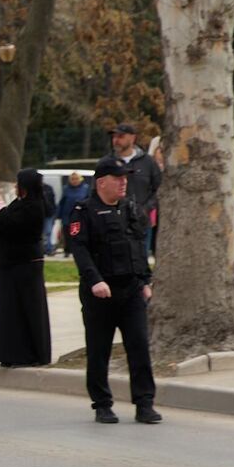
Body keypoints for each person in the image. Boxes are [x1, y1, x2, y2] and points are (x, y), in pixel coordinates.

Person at [68, 156, 159, 424]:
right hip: (100, 293)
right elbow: (80, 250)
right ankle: (102, 404)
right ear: (101, 182)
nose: (123, 183)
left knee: (139, 346)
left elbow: (139, 247)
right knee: (99, 350)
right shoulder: (83, 212)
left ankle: (144, 403)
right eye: (118, 179)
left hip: (130, 291)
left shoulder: (130, 208)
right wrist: (95, 280)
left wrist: (145, 281)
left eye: (125, 178)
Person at [0, 170, 53, 368]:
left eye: (18, 184)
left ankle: (31, 354)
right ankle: (10, 353)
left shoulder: (35, 206)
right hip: (10, 264)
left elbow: (12, 223)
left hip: (26, 265)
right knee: (10, 311)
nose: (15, 186)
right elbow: (1, 223)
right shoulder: (20, 204)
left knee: (27, 310)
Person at [109, 123, 162, 252]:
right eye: (114, 136)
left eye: (121, 136)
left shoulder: (148, 163)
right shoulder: (107, 162)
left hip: (141, 222)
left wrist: (146, 209)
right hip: (113, 222)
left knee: (139, 260)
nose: (116, 140)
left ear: (132, 138)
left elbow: (159, 189)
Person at [53, 171, 90, 256]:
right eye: (72, 179)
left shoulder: (85, 188)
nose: (74, 181)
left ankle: (78, 250)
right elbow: (62, 202)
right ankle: (67, 250)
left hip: (80, 215)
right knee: (67, 234)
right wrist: (58, 215)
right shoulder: (66, 189)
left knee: (78, 233)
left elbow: (88, 201)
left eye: (76, 179)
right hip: (67, 215)